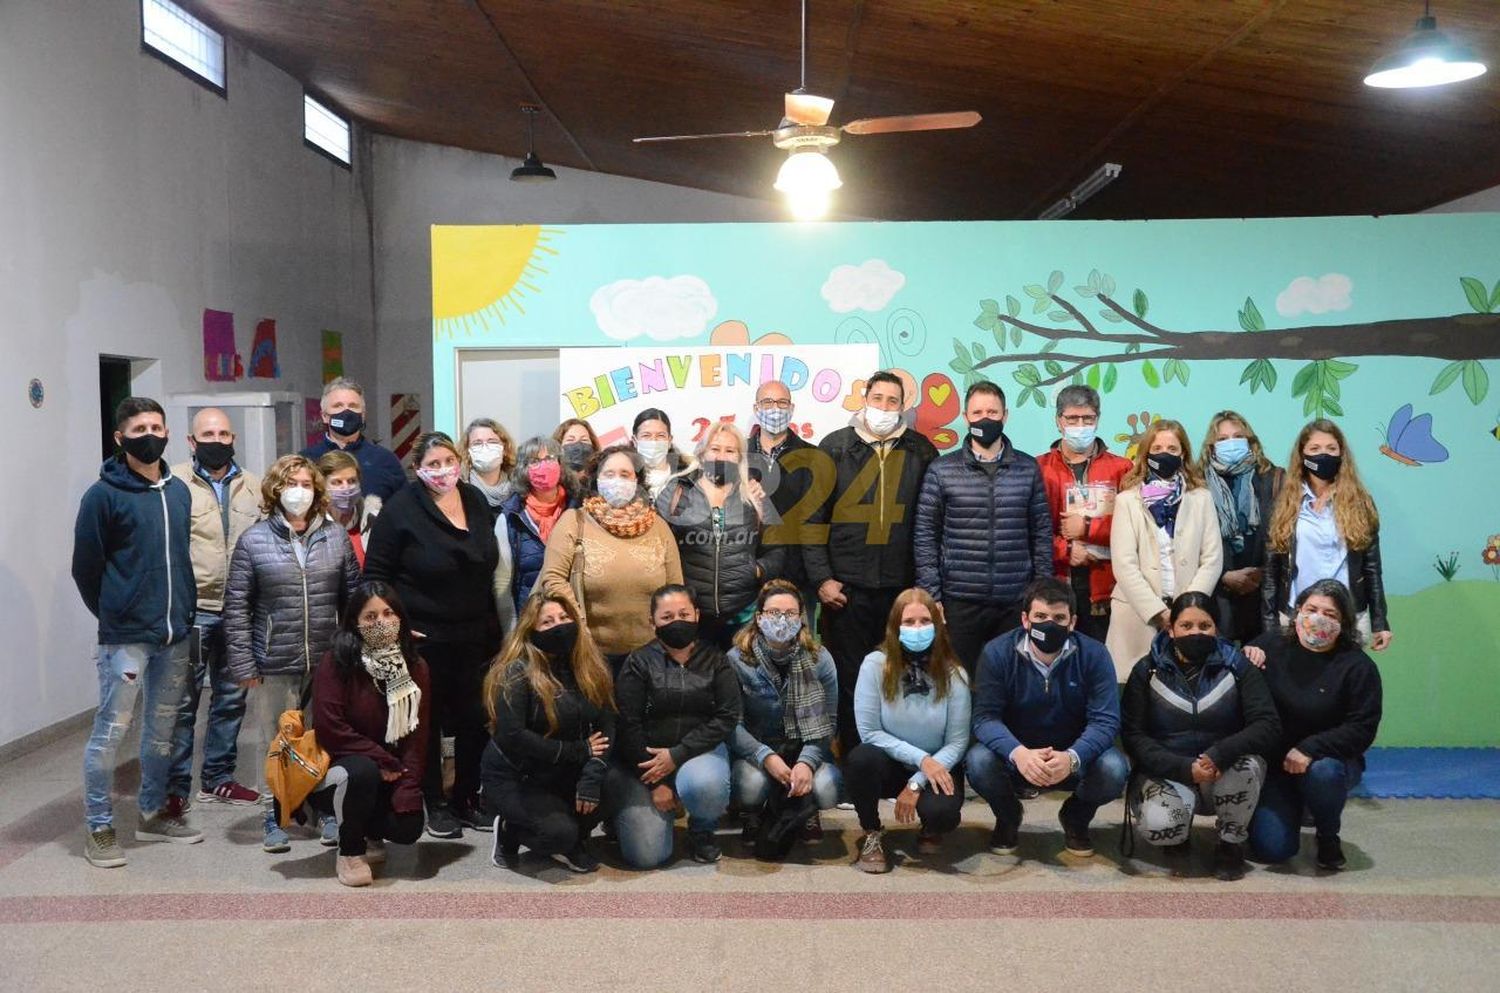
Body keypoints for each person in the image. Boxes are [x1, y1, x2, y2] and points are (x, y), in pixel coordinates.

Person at [73, 397, 201, 866]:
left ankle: (151, 814)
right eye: (140, 427)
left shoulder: (178, 491)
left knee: (162, 731)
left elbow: (180, 558)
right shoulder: (102, 496)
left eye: (157, 425)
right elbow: (86, 568)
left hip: (175, 634)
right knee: (111, 732)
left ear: (168, 433)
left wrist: (182, 609)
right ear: (120, 438)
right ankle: (100, 827)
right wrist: (115, 612)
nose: (150, 433)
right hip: (126, 635)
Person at [363, 432, 501, 838]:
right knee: (427, 723)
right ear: (418, 468)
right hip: (423, 639)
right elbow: (374, 578)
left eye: (449, 461)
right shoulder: (400, 510)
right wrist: (393, 630)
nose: (443, 470)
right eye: (433, 464)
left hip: (476, 635)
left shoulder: (475, 500)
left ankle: (465, 798)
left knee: (474, 719)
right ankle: (434, 802)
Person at [224, 455, 360, 854]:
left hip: (326, 661)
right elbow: (237, 606)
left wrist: (351, 653)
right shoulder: (254, 540)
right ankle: (275, 812)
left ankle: (327, 811)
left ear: (317, 490)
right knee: (277, 741)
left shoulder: (334, 537)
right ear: (275, 490)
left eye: (305, 483)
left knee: (324, 738)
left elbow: (352, 598)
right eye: (290, 483)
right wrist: (245, 663)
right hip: (274, 660)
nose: (298, 491)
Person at [805, 370, 938, 756]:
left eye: (892, 401)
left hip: (903, 594)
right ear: (864, 399)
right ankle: (854, 763)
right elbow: (812, 520)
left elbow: (931, 521)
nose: (884, 408)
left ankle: (900, 766)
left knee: (903, 680)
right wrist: (822, 580)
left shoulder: (921, 451)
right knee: (849, 681)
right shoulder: (834, 447)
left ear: (903, 407)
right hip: (845, 593)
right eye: (877, 399)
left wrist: (923, 587)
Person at [1121, 591, 1280, 880]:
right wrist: (1183, 768)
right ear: (1170, 629)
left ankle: (1231, 843)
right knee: (1163, 829)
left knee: (1246, 767)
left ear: (1216, 628)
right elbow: (1133, 735)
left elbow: (1267, 724)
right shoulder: (1146, 670)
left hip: (1223, 769)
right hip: (1169, 770)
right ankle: (1178, 835)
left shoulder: (1238, 666)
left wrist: (1220, 754)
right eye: (1186, 626)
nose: (1196, 632)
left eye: (1204, 626)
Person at [968, 578, 1128, 857]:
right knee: (978, 761)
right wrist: (1018, 753)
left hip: (1073, 753)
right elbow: (984, 718)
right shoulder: (997, 652)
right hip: (1017, 753)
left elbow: (1106, 721)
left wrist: (1072, 757)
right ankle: (1008, 817)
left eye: (1058, 618)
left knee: (1115, 768)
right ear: (1025, 620)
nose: (1048, 624)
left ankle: (1076, 818)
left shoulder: (1095, 654)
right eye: (1040, 616)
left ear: (1073, 622)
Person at [914, 381, 1051, 673]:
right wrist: (932, 593)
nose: (985, 418)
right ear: (966, 417)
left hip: (1014, 600)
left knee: (1011, 683)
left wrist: (1040, 591)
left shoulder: (1027, 468)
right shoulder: (942, 470)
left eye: (992, 411)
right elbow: (926, 534)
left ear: (1005, 416)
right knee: (959, 684)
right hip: (960, 602)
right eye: (977, 412)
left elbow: (1040, 533)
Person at [165, 408, 263, 817]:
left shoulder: (254, 485)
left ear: (234, 437)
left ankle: (218, 778)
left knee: (231, 699)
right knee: (183, 703)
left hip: (241, 609)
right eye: (207, 433)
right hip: (195, 611)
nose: (217, 440)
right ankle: (175, 786)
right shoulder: (172, 483)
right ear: (191, 441)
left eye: (224, 433)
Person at [1247, 580, 1382, 871]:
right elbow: (1232, 664)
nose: (1318, 618)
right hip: (1276, 765)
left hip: (1325, 761)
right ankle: (1292, 807)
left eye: (1330, 614)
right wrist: (1245, 656)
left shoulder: (1358, 667)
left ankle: (1327, 833)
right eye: (1311, 609)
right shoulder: (1271, 645)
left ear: (1344, 623)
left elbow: (1362, 728)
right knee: (1271, 849)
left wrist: (1310, 748)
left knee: (1324, 774)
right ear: (1297, 612)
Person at [307, 583, 430, 887]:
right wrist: (383, 760)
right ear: (355, 623)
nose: (381, 622)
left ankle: (370, 832)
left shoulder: (415, 667)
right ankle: (350, 850)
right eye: (370, 616)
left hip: (390, 770)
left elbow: (418, 736)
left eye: (388, 613)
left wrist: (407, 785)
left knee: (408, 827)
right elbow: (330, 728)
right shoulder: (337, 662)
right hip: (337, 768)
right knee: (361, 771)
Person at [482, 594, 615, 873]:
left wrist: (592, 775)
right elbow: (512, 735)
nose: (560, 626)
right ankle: (510, 829)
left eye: (565, 618)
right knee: (558, 833)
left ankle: (575, 839)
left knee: (612, 788)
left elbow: (607, 724)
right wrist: (578, 751)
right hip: (518, 774)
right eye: (548, 621)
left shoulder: (589, 665)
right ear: (531, 631)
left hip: (563, 768)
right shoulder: (515, 672)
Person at [608, 585, 740, 867]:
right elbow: (628, 724)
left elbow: (727, 717)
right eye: (667, 617)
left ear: (697, 616)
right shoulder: (638, 662)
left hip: (697, 753)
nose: (677, 621)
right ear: (652, 622)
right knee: (647, 856)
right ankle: (626, 815)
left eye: (684, 613)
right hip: (645, 763)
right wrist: (658, 782)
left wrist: (677, 755)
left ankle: (702, 830)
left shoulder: (716, 659)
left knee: (707, 785)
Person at [848, 588, 971, 873]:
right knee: (860, 759)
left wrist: (918, 780)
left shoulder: (955, 674)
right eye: (909, 622)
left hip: (937, 764)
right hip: (890, 762)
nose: (918, 628)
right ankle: (871, 833)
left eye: (925, 621)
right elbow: (869, 732)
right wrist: (921, 760)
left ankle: (930, 827)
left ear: (938, 626)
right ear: (895, 627)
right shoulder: (874, 665)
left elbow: (957, 742)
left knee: (942, 814)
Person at [537, 445, 684, 671]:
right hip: (590, 655)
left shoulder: (658, 527)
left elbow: (675, 589)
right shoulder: (574, 522)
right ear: (596, 480)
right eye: (609, 474)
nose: (618, 480)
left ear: (637, 481)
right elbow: (553, 578)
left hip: (651, 656)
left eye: (625, 474)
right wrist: (579, 625)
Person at [1105, 419, 1224, 682]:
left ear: (1183, 454)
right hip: (1137, 616)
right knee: (1135, 695)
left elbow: (1212, 559)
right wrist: (1158, 613)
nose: (1164, 454)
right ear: (1146, 454)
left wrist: (1187, 611)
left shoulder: (1201, 497)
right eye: (1157, 448)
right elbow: (1124, 564)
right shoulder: (1128, 501)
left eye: (1172, 448)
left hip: (1189, 619)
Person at [726, 580, 841, 849]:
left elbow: (830, 722)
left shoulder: (820, 659)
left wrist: (807, 762)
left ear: (801, 618)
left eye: (790, 613)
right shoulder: (736, 659)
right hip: (758, 749)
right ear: (759, 617)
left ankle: (808, 808)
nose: (781, 620)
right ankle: (752, 812)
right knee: (750, 784)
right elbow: (731, 724)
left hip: (805, 745)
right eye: (773, 612)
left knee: (828, 786)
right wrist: (766, 757)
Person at [1262, 420, 1391, 651]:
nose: (1324, 455)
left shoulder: (1360, 502)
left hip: (1348, 616)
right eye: (1315, 449)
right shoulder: (1285, 502)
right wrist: (1270, 622)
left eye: (1331, 449)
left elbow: (1372, 568)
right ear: (1302, 454)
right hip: (1296, 613)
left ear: (1342, 454)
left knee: (1343, 682)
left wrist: (1380, 622)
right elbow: (1271, 571)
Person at [658, 422, 781, 648]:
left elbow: (778, 549)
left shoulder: (755, 494)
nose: (721, 456)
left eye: (730, 451)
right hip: (691, 615)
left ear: (739, 458)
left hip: (742, 615)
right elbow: (658, 546)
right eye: (715, 449)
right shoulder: (677, 491)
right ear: (703, 453)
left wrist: (756, 570)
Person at [1036, 385, 1131, 642]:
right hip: (1056, 589)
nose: (1080, 425)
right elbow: (1028, 531)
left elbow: (1136, 531)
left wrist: (1087, 527)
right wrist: (1064, 550)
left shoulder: (1123, 469)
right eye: (1072, 419)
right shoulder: (1038, 468)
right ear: (1059, 421)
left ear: (1097, 419)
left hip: (1108, 591)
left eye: (1087, 418)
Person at [1199, 410, 1284, 644]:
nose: (1231, 443)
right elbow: (1190, 540)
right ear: (1211, 446)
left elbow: (1285, 535)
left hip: (1263, 592)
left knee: (1261, 667)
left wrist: (1262, 574)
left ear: (1250, 441)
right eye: (1222, 439)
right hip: (1217, 592)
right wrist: (1224, 575)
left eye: (1237, 436)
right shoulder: (1198, 483)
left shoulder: (1273, 479)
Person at [493, 437, 577, 635]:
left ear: (560, 464)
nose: (544, 465)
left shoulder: (579, 509)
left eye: (549, 458)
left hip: (574, 621)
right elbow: (503, 583)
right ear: (523, 469)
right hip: (531, 624)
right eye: (534, 461)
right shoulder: (510, 518)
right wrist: (512, 634)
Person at [747, 379, 818, 602]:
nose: (775, 408)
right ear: (756, 408)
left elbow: (817, 520)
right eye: (767, 402)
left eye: (782, 402)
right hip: (748, 577)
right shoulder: (736, 456)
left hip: (797, 578)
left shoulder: (814, 458)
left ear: (792, 409)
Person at [300, 378, 406, 501]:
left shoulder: (385, 460)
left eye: (353, 406)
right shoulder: (306, 461)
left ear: (363, 415)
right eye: (338, 406)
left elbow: (404, 510)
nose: (346, 412)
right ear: (324, 416)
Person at [317, 450, 381, 569]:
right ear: (322, 486)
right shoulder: (310, 526)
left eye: (352, 481)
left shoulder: (375, 521)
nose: (346, 488)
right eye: (337, 482)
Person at [633, 408, 693, 501]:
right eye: (646, 435)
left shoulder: (690, 477)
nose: (653, 441)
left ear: (669, 440)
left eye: (660, 435)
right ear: (635, 441)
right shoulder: (626, 479)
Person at [464, 417, 516, 512]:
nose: (485, 447)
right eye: (477, 443)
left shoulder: (519, 489)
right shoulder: (461, 490)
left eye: (492, 442)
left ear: (504, 448)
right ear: (468, 451)